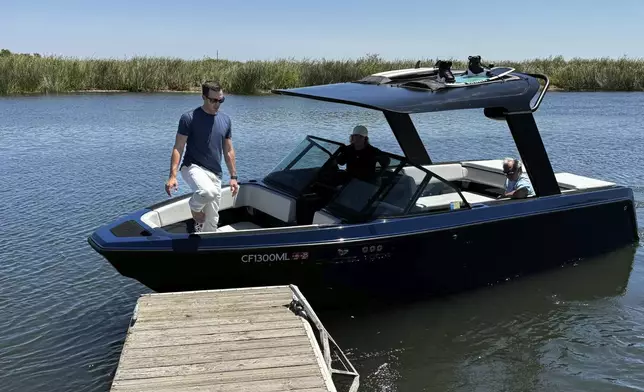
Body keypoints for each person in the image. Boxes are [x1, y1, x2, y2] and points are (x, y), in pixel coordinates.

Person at [164, 81, 239, 232]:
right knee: (207, 192)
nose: (217, 104)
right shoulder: (189, 118)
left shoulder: (225, 120)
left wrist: (233, 176)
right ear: (203, 97)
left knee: (212, 222)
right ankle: (194, 209)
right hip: (193, 167)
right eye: (213, 100)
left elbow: (229, 150)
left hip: (216, 174)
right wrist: (172, 176)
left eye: (220, 100)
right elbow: (178, 147)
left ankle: (204, 245)